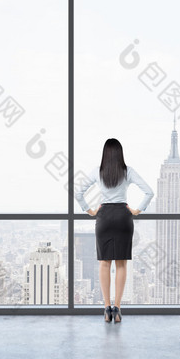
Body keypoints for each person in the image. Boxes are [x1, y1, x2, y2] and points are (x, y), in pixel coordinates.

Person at [75, 138, 153, 323]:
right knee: (121, 264)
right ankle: (117, 309)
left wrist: (90, 210)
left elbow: (78, 192)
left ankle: (106, 309)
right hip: (123, 216)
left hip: (104, 216)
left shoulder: (98, 171)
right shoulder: (127, 171)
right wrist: (137, 210)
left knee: (104, 263)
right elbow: (149, 191)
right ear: (120, 153)